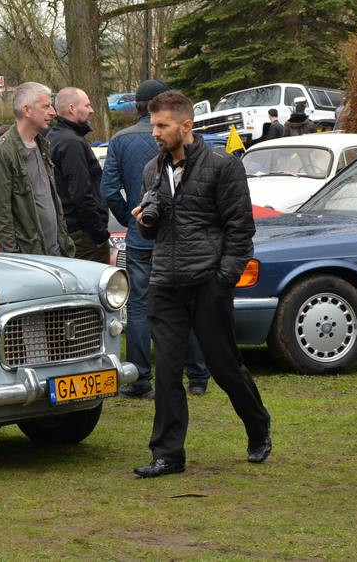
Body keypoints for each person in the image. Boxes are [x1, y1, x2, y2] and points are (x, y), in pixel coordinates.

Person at [130, 90, 271, 478]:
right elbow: (155, 231)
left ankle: (258, 425)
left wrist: (223, 278)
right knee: (168, 370)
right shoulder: (151, 170)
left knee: (225, 367)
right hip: (165, 283)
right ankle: (168, 454)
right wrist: (146, 219)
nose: (155, 133)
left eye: (163, 126)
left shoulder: (223, 167)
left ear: (186, 126)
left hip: (208, 282)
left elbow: (240, 229)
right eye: (153, 125)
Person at [101, 79, 210, 399]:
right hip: (179, 236)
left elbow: (108, 189)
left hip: (141, 237)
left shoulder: (120, 141)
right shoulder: (182, 137)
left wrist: (128, 219)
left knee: (139, 307)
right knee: (187, 303)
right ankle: (198, 375)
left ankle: (140, 378)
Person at [0, 82, 74, 257]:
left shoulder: (42, 145)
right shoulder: (3, 152)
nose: (53, 112)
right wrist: (15, 262)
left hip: (57, 254)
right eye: (46, 106)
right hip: (31, 260)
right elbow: (0, 215)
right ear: (27, 110)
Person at [46, 87, 109, 263]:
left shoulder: (56, 137)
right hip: (83, 235)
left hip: (72, 230)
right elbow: (81, 192)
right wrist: (99, 233)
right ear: (72, 108)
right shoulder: (71, 143)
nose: (92, 110)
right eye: (87, 105)